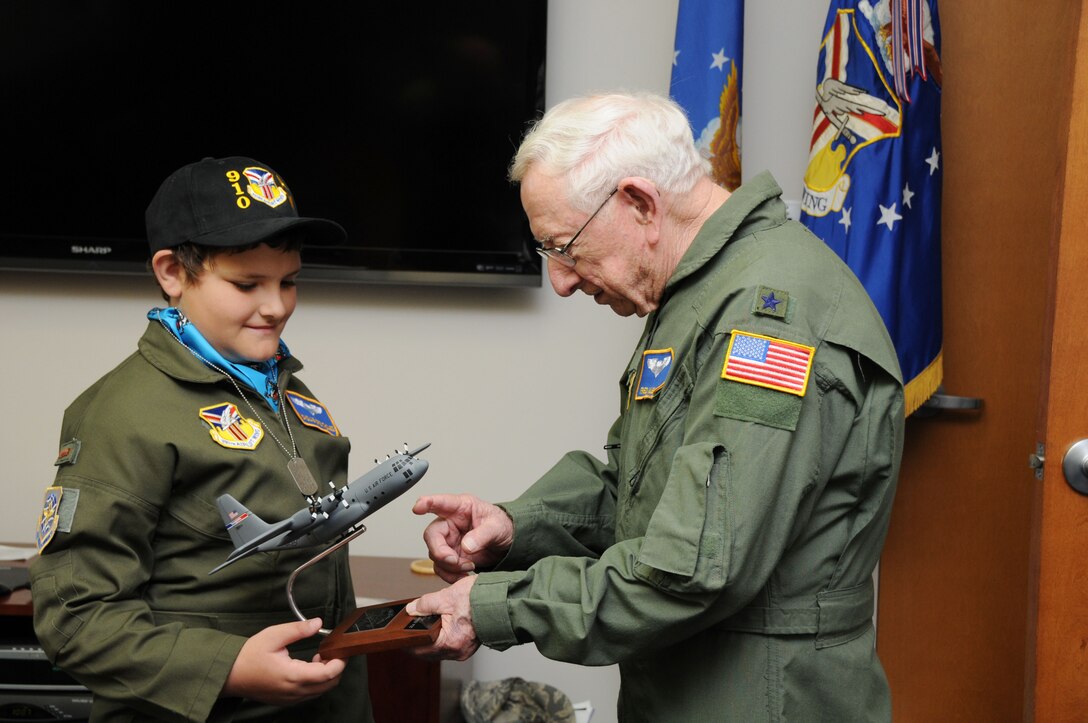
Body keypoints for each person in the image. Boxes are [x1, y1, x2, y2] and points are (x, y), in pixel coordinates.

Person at [407, 92, 905, 721]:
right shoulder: (706, 291)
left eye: (564, 247)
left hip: (764, 699)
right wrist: (517, 526)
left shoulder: (766, 315)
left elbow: (694, 566)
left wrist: (498, 605)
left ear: (640, 203)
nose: (560, 281)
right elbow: (644, 492)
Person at [29, 157, 372, 721]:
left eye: (289, 281)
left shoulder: (285, 388)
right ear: (171, 273)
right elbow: (75, 617)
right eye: (246, 284)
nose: (277, 306)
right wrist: (230, 667)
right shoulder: (125, 412)